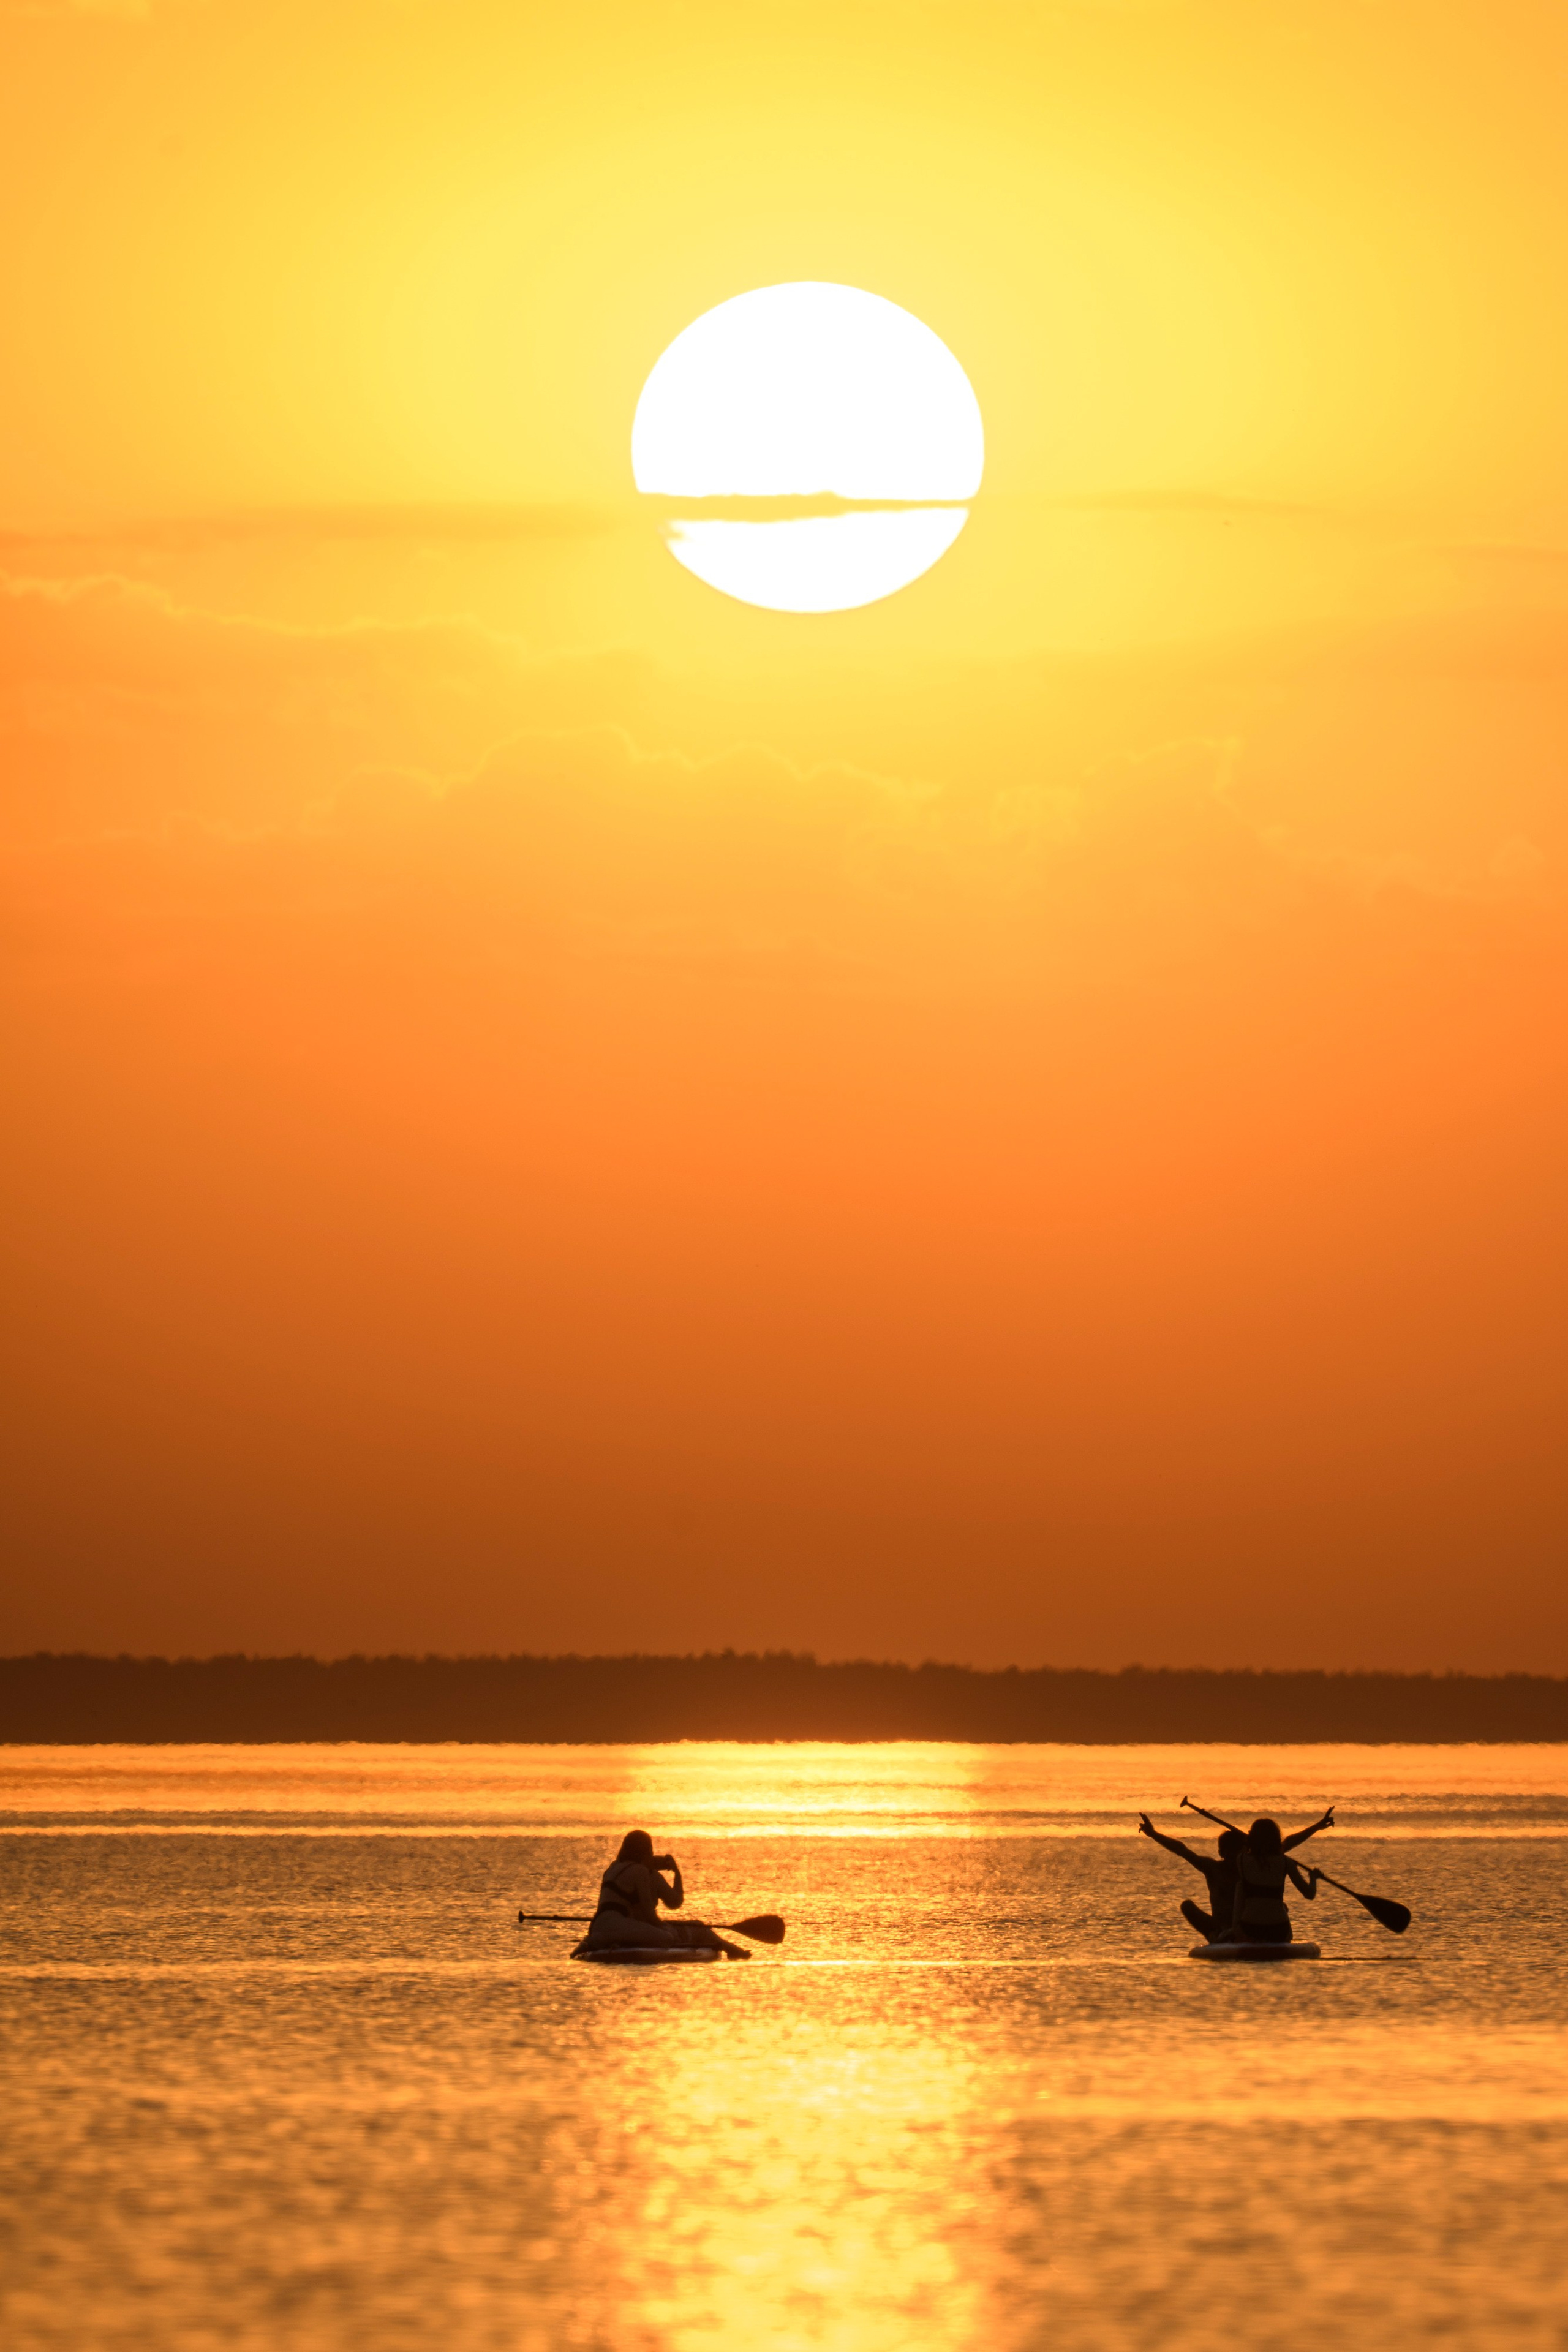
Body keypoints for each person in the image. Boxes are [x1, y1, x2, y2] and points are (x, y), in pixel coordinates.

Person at [1137, 1806, 1333, 1943]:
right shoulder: (1218, 1867)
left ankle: (1228, 1935)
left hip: (1247, 1927)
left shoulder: (1248, 1864)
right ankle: (1217, 1935)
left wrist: (1316, 1826)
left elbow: (1286, 1844)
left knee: (1281, 1905)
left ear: (1246, 1850)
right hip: (1222, 1926)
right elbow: (1182, 1850)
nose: (1233, 1859)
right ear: (1223, 1854)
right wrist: (1154, 1835)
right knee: (1187, 1906)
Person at [579, 1830, 745, 1958]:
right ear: (647, 1852)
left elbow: (661, 1905)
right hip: (618, 1927)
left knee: (671, 1930)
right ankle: (728, 1948)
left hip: (596, 1927)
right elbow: (650, 1916)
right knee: (666, 1937)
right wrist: (665, 1928)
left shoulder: (613, 1868)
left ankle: (592, 1942)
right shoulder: (640, 1872)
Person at [1218, 1815, 1319, 1945]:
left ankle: (1234, 1931)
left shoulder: (1242, 1860)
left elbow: (1251, 1852)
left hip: (1250, 1930)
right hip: (1280, 1931)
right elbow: (1309, 1894)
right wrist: (1313, 1878)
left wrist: (1250, 1840)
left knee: (1241, 1885)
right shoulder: (1286, 1862)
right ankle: (1236, 1931)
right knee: (1247, 1888)